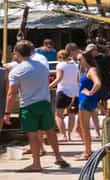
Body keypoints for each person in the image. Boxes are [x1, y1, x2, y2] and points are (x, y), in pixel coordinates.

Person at [4, 40, 69, 171]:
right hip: (44, 103)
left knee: (32, 135)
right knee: (50, 131)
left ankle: (36, 163)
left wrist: (7, 112)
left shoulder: (16, 71)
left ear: (17, 53)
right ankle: (58, 157)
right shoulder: (42, 66)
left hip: (28, 105)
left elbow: (11, 94)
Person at [77, 51, 102, 161]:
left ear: (85, 59)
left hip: (86, 101)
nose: (78, 62)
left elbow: (98, 83)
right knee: (79, 128)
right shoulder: (87, 70)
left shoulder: (91, 70)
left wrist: (90, 92)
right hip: (85, 100)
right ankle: (88, 149)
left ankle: (87, 152)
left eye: (80, 59)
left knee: (84, 128)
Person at [52, 49, 79, 142]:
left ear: (59, 57)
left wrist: (48, 86)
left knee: (58, 115)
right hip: (74, 93)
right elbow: (78, 80)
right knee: (71, 114)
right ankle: (69, 135)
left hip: (63, 92)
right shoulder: (76, 65)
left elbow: (59, 79)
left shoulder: (60, 65)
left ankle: (63, 135)